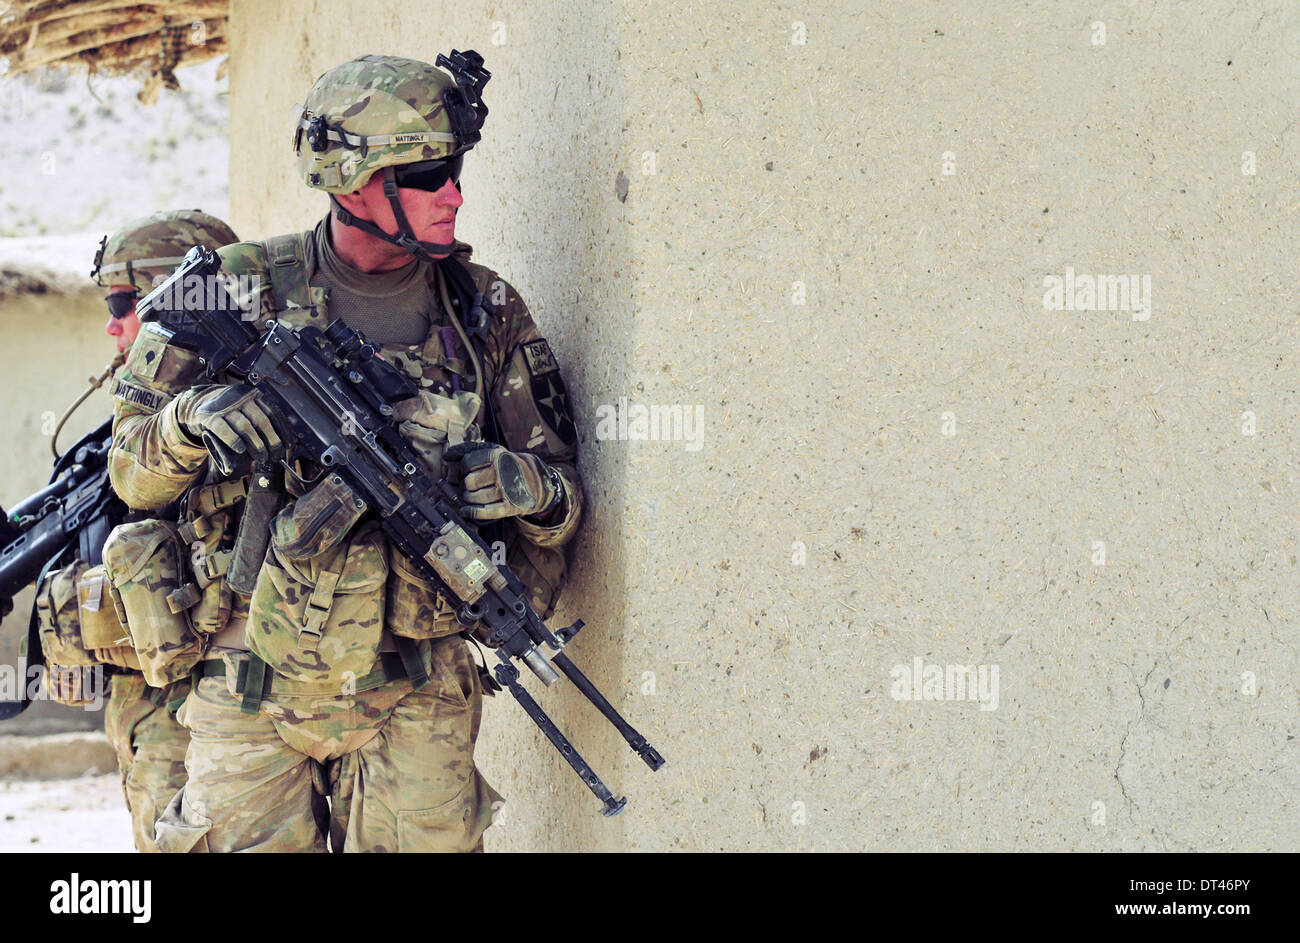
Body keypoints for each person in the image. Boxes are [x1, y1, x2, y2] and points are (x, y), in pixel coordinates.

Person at [106, 52, 584, 852]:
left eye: (455, 169)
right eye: (428, 174)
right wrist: (192, 422)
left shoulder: (484, 309)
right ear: (352, 179)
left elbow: (564, 503)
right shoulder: (237, 286)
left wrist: (529, 489)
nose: (454, 194)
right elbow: (129, 472)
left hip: (418, 687)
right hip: (251, 679)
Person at [36, 209, 238, 853]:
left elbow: (219, 585)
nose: (112, 322)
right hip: (142, 708)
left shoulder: (229, 420)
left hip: (203, 709)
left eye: (126, 301)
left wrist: (82, 610)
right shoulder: (129, 422)